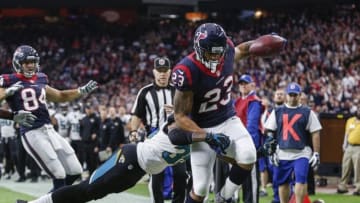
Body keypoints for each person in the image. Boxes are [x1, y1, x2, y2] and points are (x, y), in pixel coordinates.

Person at [171, 23, 278, 203]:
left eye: (219, 51)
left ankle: (223, 197)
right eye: (211, 52)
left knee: (248, 155)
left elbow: (244, 49)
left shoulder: (226, 50)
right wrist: (207, 136)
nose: (216, 56)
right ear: (198, 48)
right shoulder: (187, 70)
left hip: (227, 119)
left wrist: (263, 42)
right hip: (201, 127)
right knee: (201, 189)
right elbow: (180, 116)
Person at [15, 115, 231, 203]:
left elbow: (221, 154)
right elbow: (175, 134)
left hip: (136, 171)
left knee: (90, 195)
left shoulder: (201, 134)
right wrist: (209, 135)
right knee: (84, 190)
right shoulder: (182, 118)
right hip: (129, 157)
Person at [0, 45, 98, 191]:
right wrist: (8, 98)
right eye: (26, 62)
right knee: (58, 174)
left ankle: (50, 199)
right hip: (31, 132)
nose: (31, 65)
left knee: (75, 170)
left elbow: (60, 96)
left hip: (49, 130)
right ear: (18, 63)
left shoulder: (41, 78)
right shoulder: (8, 80)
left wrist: (80, 91)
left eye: (33, 62)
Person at [130, 56, 188, 203]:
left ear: (170, 72)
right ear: (154, 72)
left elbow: (189, 112)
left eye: (165, 71)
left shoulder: (179, 91)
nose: (162, 74)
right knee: (157, 175)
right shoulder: (145, 92)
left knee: (181, 175)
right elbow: (137, 115)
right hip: (154, 138)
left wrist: (177, 110)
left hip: (176, 139)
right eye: (159, 71)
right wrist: (133, 131)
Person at [264, 82, 322, 203]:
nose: (292, 97)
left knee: (300, 179)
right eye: (290, 94)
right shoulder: (277, 111)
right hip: (282, 152)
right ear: (286, 95)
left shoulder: (307, 112)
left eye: (295, 95)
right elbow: (270, 131)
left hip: (302, 152)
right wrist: (271, 150)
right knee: (282, 182)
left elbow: (315, 132)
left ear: (299, 95)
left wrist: (316, 153)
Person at [234, 74, 265, 203]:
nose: (242, 85)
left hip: (248, 146)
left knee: (250, 184)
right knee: (237, 182)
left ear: (252, 85)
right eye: (241, 83)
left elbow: (252, 126)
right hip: (237, 146)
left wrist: (247, 146)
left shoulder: (253, 101)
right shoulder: (237, 101)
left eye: (245, 83)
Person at [337, 103, 360, 196]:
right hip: (349, 146)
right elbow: (347, 134)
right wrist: (344, 144)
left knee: (358, 168)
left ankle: (358, 188)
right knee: (345, 167)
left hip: (359, 147)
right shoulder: (350, 120)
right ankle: (342, 187)